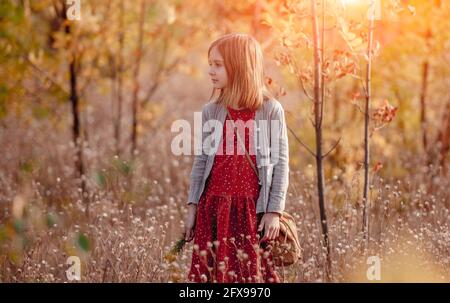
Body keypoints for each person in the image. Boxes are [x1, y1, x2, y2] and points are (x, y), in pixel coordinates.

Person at [185, 33, 289, 283]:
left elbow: (281, 163)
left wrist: (274, 211)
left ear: (240, 66)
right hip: (214, 208)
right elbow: (201, 163)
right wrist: (192, 207)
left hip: (252, 210)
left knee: (249, 277)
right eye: (210, 63)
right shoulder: (212, 111)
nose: (211, 70)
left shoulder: (269, 110)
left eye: (218, 65)